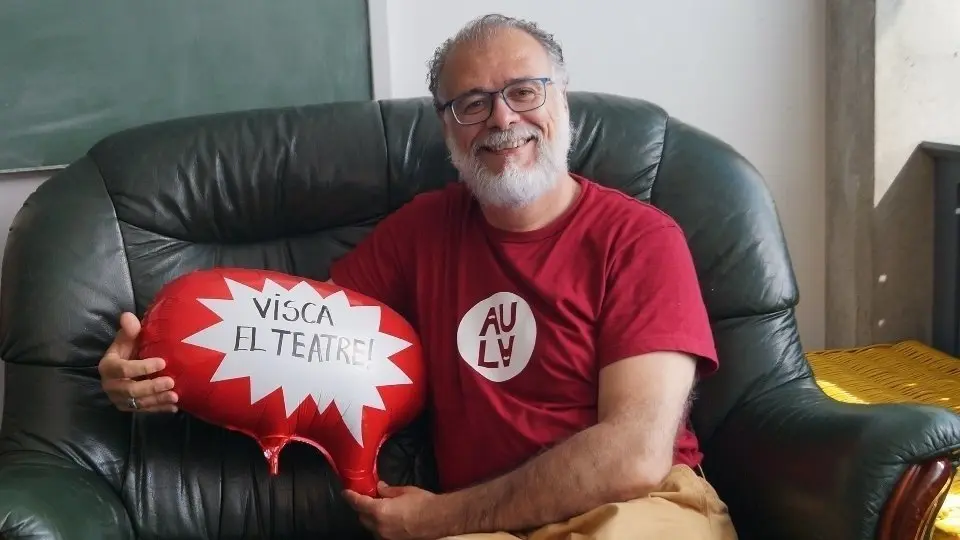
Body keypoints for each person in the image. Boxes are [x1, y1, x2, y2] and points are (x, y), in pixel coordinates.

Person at [97, 13, 737, 540]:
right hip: (484, 531)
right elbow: (287, 339)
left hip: (638, 511)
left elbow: (635, 454)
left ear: (560, 98)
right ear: (444, 125)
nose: (502, 120)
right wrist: (153, 366)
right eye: (472, 104)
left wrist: (440, 516)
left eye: (523, 91)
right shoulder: (421, 232)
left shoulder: (641, 239)